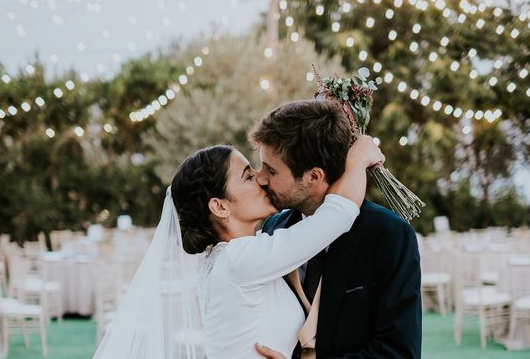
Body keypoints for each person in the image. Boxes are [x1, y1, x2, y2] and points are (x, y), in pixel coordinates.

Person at [92, 135, 384, 359]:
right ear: (219, 206)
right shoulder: (240, 261)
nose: (260, 178)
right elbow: (337, 215)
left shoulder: (226, 258)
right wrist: (358, 158)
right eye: (247, 176)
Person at [250, 99, 422, 359]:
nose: (260, 178)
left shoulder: (388, 235)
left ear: (314, 176)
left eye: (271, 170)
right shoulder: (275, 227)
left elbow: (398, 352)